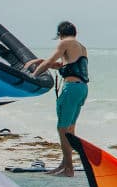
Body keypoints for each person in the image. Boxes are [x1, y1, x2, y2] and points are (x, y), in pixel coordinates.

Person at [25, 21, 89, 177]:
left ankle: (68, 169)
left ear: (60, 34)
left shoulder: (65, 43)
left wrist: (32, 77)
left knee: (62, 128)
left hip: (71, 89)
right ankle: (64, 165)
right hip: (82, 89)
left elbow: (50, 61)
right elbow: (63, 65)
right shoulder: (81, 47)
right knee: (70, 129)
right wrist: (39, 61)